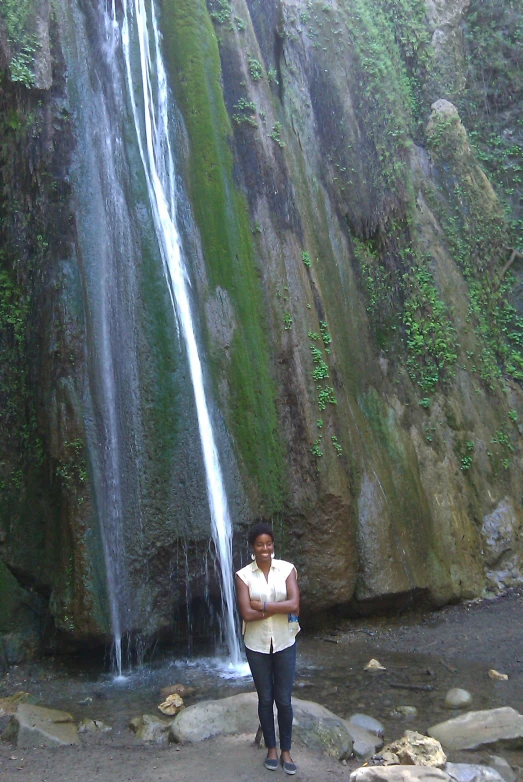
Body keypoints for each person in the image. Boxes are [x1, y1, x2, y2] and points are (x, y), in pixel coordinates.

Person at [235, 522, 300, 775]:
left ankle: (286, 751)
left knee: (284, 700)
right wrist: (277, 607)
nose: (265, 549)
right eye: (260, 544)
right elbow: (246, 614)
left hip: (285, 641)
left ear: (273, 545)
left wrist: (261, 605)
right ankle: (271, 748)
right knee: (265, 699)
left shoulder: (287, 569)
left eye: (269, 544)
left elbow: (294, 604)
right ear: (253, 547)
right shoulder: (243, 576)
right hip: (256, 645)